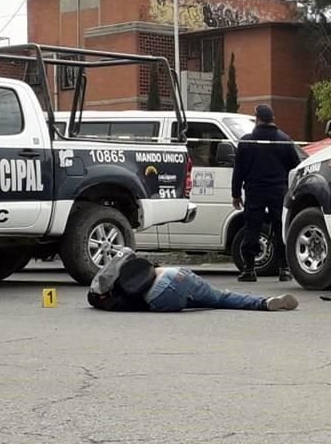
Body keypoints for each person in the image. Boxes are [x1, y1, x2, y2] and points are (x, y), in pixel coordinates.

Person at [87, 249, 299, 312]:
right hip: (172, 276)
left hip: (160, 300)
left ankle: (265, 304)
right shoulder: (124, 263)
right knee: (221, 297)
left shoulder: (105, 295)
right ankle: (264, 303)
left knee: (207, 302)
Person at [232, 104, 301, 283]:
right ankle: (284, 269)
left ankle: (249, 269)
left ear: (257, 118)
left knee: (252, 229)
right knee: (280, 228)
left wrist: (236, 193)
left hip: (254, 190)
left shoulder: (247, 141)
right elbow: (295, 167)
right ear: (273, 119)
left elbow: (238, 170)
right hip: (278, 190)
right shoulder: (284, 140)